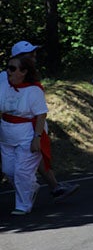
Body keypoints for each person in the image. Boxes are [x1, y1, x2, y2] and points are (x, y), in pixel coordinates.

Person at [1, 54, 49, 214]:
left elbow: (41, 115)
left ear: (24, 72)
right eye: (8, 68)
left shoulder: (34, 91)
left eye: (13, 69)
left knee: (22, 172)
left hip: (27, 135)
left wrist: (37, 138)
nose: (9, 72)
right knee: (9, 171)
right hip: (7, 136)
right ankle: (32, 187)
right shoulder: (3, 86)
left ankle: (23, 205)